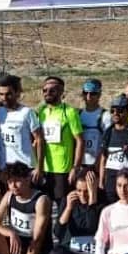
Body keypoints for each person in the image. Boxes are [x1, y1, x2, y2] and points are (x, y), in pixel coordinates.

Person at [37, 76, 84, 215]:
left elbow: (80, 141)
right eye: (45, 90)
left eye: (52, 90)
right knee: (43, 210)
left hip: (63, 170)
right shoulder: (41, 111)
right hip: (44, 168)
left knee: (63, 209)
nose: (47, 93)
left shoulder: (69, 112)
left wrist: (75, 167)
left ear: (61, 92)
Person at [0, 75, 43, 187]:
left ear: (17, 93)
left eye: (8, 94)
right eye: (1, 94)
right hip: (5, 168)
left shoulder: (27, 112)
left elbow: (39, 139)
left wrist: (39, 168)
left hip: (24, 167)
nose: (4, 98)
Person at [78, 78, 110, 170]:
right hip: (79, 164)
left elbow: (108, 143)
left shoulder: (105, 116)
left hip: (96, 166)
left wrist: (97, 165)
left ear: (99, 95)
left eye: (93, 93)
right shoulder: (78, 114)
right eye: (85, 93)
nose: (88, 96)